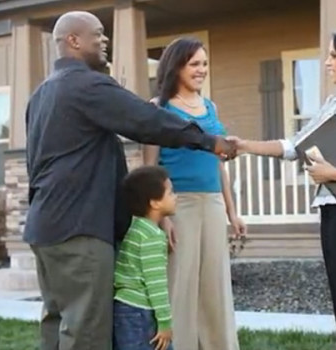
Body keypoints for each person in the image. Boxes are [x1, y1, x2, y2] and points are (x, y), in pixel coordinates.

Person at [24, 11, 236, 350]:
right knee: (87, 333)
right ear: (73, 41)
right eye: (97, 34)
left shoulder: (42, 94)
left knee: (58, 324)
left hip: (45, 229)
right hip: (81, 230)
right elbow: (146, 120)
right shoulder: (87, 85)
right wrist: (209, 141)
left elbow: (33, 164)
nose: (105, 39)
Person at [227, 8, 336, 350]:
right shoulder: (335, 102)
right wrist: (244, 145)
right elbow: (294, 146)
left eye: (334, 55)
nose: (327, 62)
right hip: (331, 211)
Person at [143, 37, 245, 350]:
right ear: (177, 66)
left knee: (215, 284)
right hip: (178, 205)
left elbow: (219, 164)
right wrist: (162, 218)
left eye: (204, 64)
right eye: (194, 64)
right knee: (181, 284)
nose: (201, 70)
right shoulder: (159, 108)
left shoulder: (210, 106)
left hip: (212, 203)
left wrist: (231, 212)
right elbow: (150, 167)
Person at [114, 166, 177, 350]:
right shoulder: (152, 237)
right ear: (155, 203)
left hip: (123, 307)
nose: (175, 197)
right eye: (170, 192)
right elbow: (155, 284)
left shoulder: (134, 229)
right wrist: (165, 322)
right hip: (140, 312)